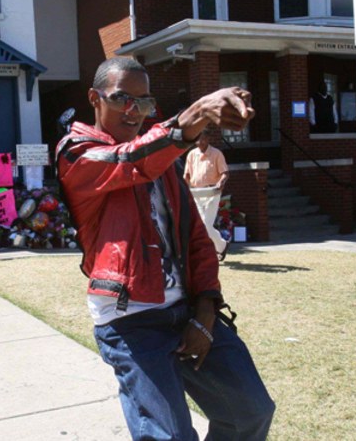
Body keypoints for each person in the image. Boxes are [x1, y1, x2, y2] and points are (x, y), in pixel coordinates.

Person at [57, 57, 275, 440]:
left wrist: (205, 311)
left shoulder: (166, 162)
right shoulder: (78, 152)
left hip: (186, 310)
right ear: (94, 98)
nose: (134, 111)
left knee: (250, 412)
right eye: (123, 98)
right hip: (130, 321)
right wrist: (197, 113)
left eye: (143, 102)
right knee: (169, 436)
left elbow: (196, 239)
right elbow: (129, 161)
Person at [183, 134, 230, 254]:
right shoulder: (192, 154)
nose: (200, 141)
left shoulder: (216, 153)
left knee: (206, 224)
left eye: (203, 138)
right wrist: (186, 186)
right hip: (196, 193)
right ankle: (221, 246)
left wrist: (220, 182)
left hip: (212, 192)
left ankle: (220, 246)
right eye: (197, 139)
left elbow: (225, 173)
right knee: (201, 225)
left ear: (208, 139)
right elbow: (187, 175)